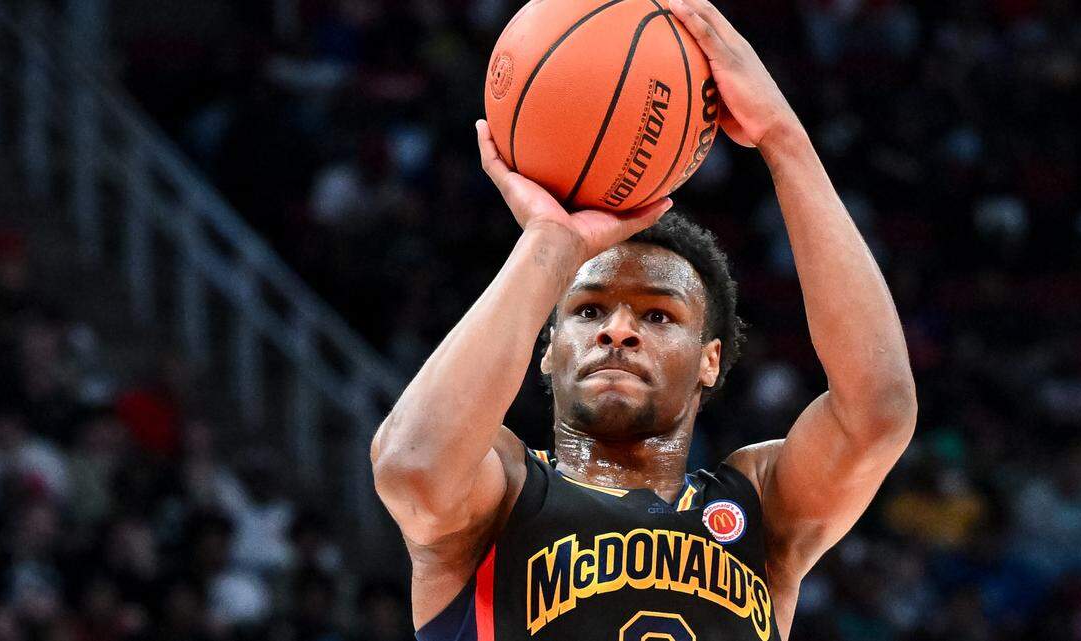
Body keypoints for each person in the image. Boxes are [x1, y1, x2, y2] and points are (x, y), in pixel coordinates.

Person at [370, 0, 917, 639]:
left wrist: (783, 139)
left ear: (710, 359)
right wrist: (550, 243)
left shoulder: (760, 509)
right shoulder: (502, 495)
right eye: (588, 310)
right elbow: (411, 465)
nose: (618, 329)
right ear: (547, 347)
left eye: (658, 315)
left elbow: (878, 411)